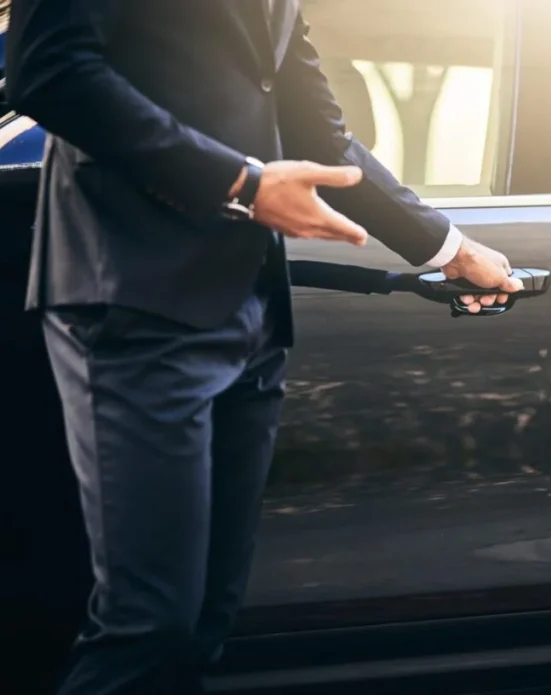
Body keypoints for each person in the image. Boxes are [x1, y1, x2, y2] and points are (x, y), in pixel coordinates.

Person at [4, 1, 523, 693]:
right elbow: (46, 71)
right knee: (149, 625)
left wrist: (450, 247)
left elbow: (321, 136)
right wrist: (242, 183)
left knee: (203, 628)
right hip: (130, 302)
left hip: (250, 314)